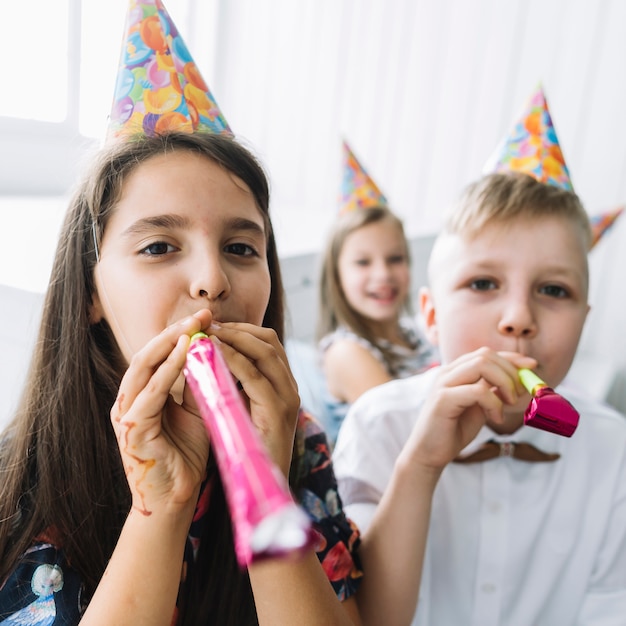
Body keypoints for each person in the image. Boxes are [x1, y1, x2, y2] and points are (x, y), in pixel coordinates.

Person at [0, 131, 366, 625]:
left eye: (240, 247)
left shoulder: (298, 438)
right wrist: (162, 509)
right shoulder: (19, 483)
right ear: (91, 295)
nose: (212, 280)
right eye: (158, 247)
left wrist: (266, 482)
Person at [332, 171, 626, 625]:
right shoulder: (379, 424)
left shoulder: (613, 447)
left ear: (583, 322)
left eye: (553, 290)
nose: (518, 318)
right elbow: (370, 618)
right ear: (430, 316)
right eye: (483, 284)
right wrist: (420, 466)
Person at [316, 205, 437, 444]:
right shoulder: (345, 352)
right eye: (363, 262)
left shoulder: (416, 333)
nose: (383, 274)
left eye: (395, 259)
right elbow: (406, 435)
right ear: (337, 277)